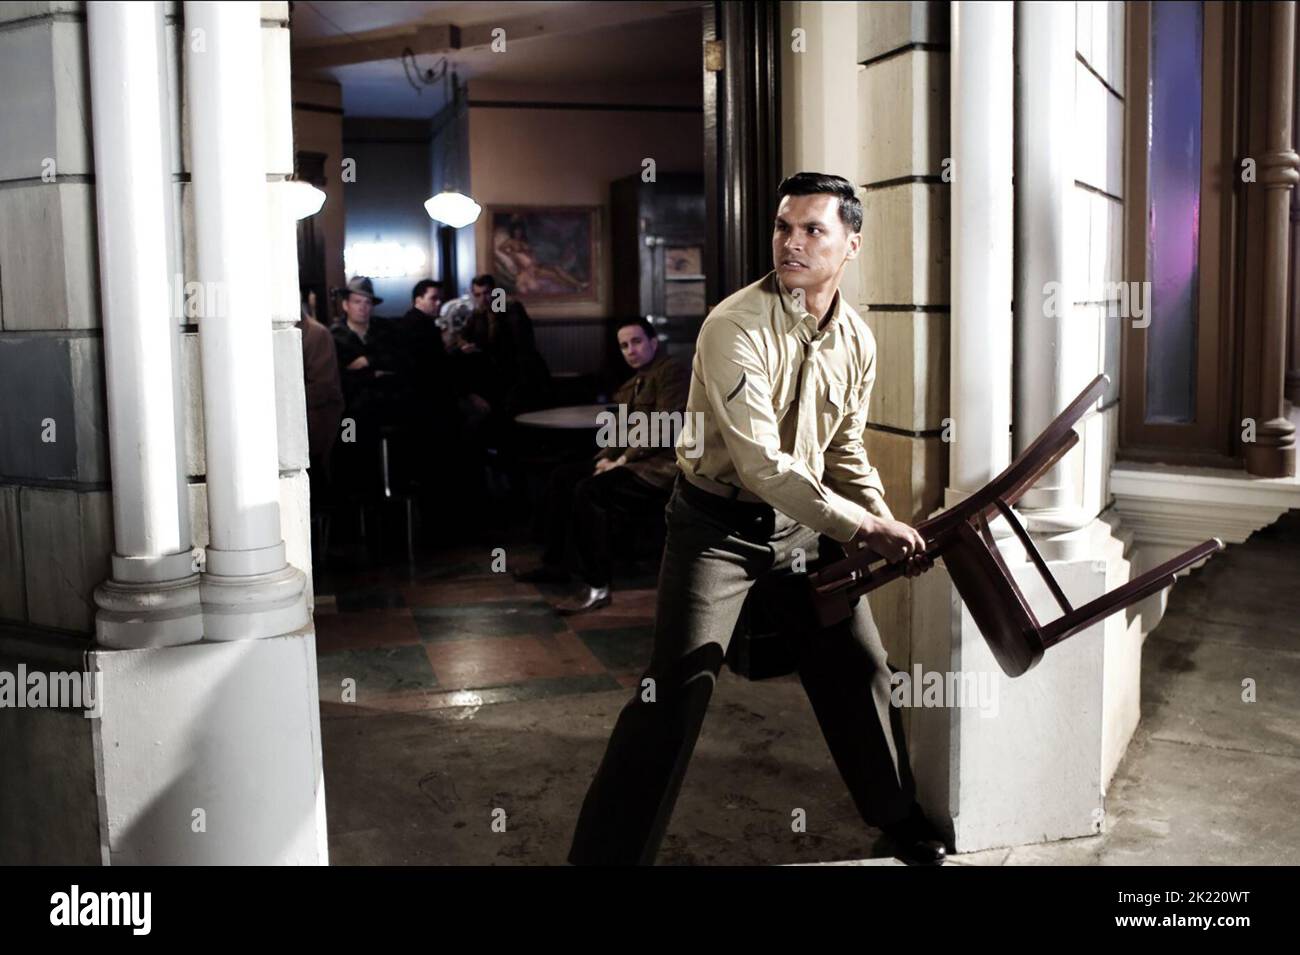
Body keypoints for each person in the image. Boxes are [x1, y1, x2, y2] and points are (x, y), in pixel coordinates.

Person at [567, 172, 947, 867]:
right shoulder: (732, 325)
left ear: (850, 244)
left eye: (812, 229)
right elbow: (762, 466)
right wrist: (864, 531)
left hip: (807, 531)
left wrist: (885, 522)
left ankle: (899, 820)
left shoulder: (857, 341)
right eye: (783, 226)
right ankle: (602, 859)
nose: (791, 242)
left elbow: (844, 449)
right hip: (716, 529)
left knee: (861, 668)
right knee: (675, 693)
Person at [514, 318, 690, 614]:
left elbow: (666, 428)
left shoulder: (672, 372)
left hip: (661, 468)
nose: (630, 350)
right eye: (624, 345)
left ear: (653, 343)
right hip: (635, 463)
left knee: (590, 492)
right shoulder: (632, 384)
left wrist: (620, 460)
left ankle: (597, 585)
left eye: (636, 342)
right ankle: (556, 563)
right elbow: (620, 432)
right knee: (563, 477)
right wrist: (603, 459)